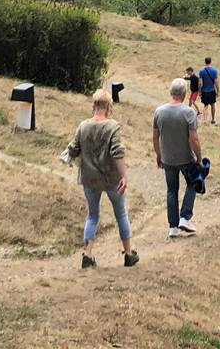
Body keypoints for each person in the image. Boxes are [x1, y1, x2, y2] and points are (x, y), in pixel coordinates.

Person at [67, 87, 138, 268]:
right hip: (111, 177)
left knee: (92, 215)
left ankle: (87, 254)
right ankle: (128, 254)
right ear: (108, 106)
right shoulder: (112, 126)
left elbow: (73, 149)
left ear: (94, 105)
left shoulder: (83, 126)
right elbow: (117, 152)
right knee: (121, 213)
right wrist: (124, 176)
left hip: (90, 178)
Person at [153, 78, 204, 239]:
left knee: (171, 190)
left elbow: (155, 137)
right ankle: (185, 216)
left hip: (167, 158)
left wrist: (159, 155)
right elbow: (193, 139)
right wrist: (199, 158)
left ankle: (173, 227)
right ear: (184, 94)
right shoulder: (188, 112)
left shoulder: (159, 111)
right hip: (186, 158)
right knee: (193, 183)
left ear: (171, 92)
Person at [197, 57, 220, 124]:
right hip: (212, 91)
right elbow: (216, 82)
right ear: (210, 62)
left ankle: (205, 120)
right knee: (213, 105)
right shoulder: (214, 71)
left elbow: (200, 83)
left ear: (205, 62)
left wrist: (200, 91)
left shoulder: (201, 71)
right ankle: (213, 119)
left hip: (204, 91)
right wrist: (217, 91)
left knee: (205, 106)